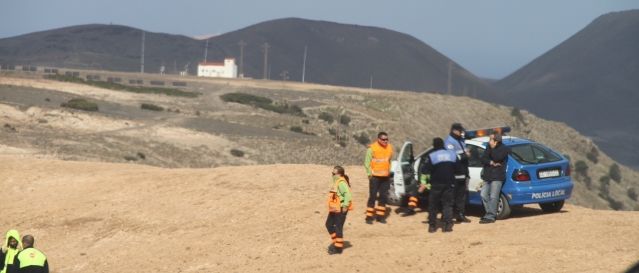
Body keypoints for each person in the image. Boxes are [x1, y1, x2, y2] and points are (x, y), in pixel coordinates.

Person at [421, 137, 458, 233]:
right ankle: (447, 226)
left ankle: (432, 227)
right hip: (449, 183)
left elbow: (425, 170)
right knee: (447, 205)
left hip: (436, 184)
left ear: (434, 145)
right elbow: (458, 169)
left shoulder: (432, 156)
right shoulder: (452, 155)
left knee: (433, 206)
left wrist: (424, 183)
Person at [479, 133, 511, 224]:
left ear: (496, 142)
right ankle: (489, 213)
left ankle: (490, 216)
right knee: (483, 194)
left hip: (497, 176)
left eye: (491, 140)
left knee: (493, 196)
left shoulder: (503, 149)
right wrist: (491, 162)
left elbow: (498, 157)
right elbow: (483, 159)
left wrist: (490, 157)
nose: (489, 142)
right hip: (487, 176)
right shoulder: (489, 147)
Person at [364, 132, 394, 224]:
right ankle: (369, 217)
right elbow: (367, 162)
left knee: (383, 197)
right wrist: (369, 175)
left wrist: (389, 172)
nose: (385, 141)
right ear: (379, 139)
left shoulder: (389, 147)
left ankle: (380, 217)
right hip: (375, 177)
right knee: (372, 197)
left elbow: (389, 160)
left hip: (385, 177)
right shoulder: (372, 148)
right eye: (383, 139)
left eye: (387, 139)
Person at [445, 123, 472, 223]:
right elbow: (452, 157)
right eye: (460, 131)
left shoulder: (460, 140)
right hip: (454, 173)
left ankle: (460, 214)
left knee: (461, 195)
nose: (461, 133)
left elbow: (467, 138)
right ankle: (449, 216)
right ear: (454, 131)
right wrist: (466, 155)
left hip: (463, 172)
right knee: (452, 196)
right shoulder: (449, 142)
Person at [326, 166, 353, 255]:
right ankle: (336, 242)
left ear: (340, 174)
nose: (332, 175)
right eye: (332, 173)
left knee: (338, 228)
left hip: (341, 208)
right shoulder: (336, 181)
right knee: (328, 224)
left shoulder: (341, 183)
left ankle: (338, 248)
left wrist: (345, 206)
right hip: (334, 208)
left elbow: (348, 195)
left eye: (334, 174)